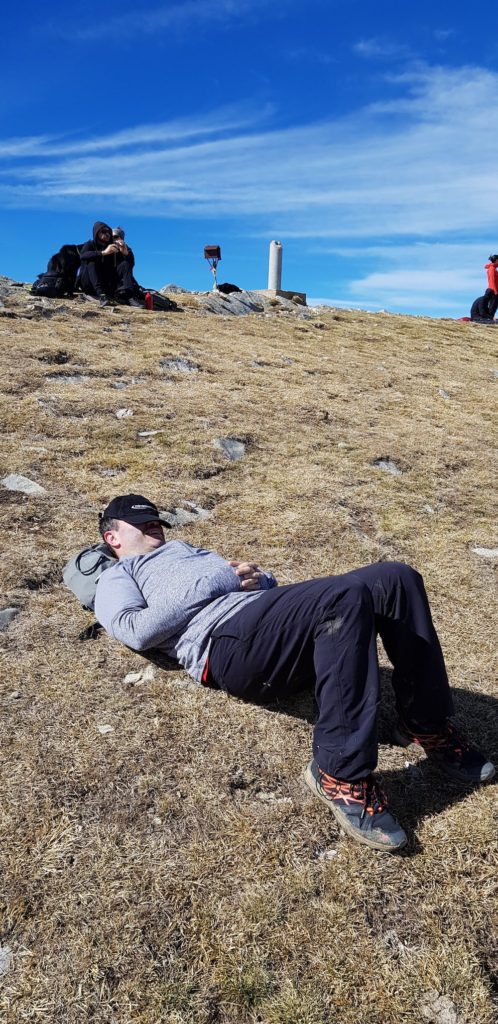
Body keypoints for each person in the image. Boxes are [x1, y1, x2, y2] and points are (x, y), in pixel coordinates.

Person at [94, 493, 495, 853]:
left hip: (267, 626)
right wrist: (222, 578)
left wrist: (260, 578)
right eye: (141, 523)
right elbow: (136, 630)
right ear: (113, 537)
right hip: (224, 646)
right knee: (343, 594)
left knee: (395, 577)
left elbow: (263, 590)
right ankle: (338, 772)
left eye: (155, 521)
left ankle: (425, 723)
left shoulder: (187, 549)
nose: (154, 528)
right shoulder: (117, 576)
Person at [79, 221, 142, 307]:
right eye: (103, 232)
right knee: (92, 260)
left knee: (125, 264)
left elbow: (130, 264)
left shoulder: (117, 247)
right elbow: (83, 256)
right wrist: (103, 252)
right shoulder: (90, 244)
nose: (108, 235)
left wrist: (125, 253)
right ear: (96, 232)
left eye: (109, 233)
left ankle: (130, 297)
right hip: (90, 284)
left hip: (108, 285)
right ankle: (101, 295)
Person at [484, 255, 498, 319]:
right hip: (493, 291)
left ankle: (489, 319)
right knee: (492, 308)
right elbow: (492, 280)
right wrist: (495, 292)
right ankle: (489, 321)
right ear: (496, 260)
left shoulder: (493, 268)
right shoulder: (492, 269)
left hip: (494, 290)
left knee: (493, 307)